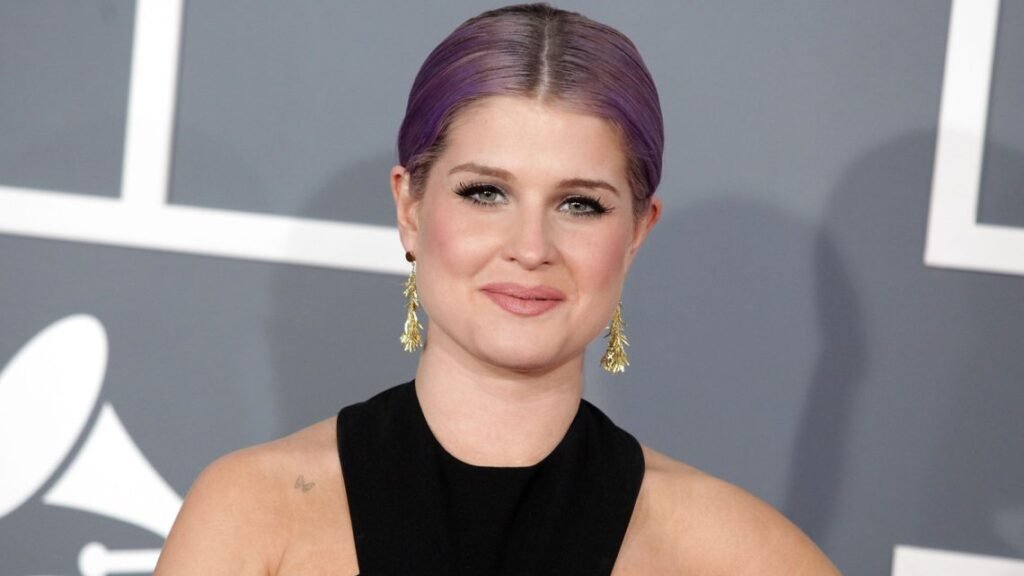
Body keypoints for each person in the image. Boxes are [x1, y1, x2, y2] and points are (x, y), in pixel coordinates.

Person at [155, 4, 840, 575]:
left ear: (637, 231)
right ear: (410, 208)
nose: (531, 248)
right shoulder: (252, 515)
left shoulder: (738, 555)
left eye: (580, 204)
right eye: (485, 193)